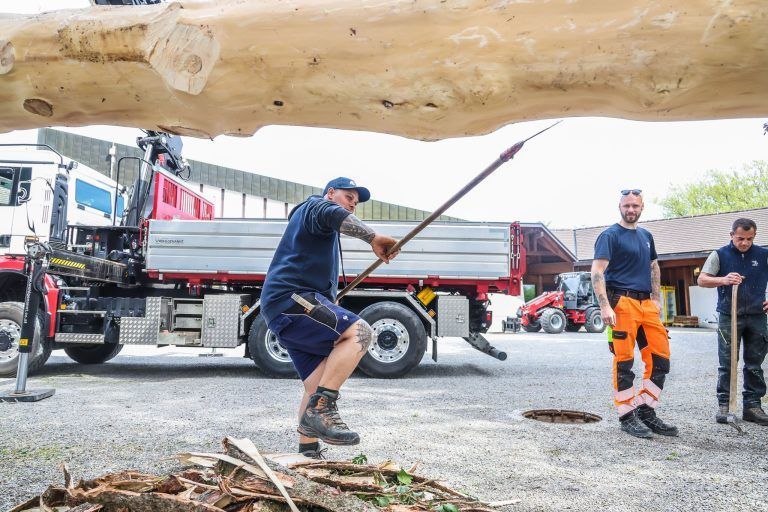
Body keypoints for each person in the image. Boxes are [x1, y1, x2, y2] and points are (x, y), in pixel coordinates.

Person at [260, 177, 399, 457]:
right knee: (360, 332)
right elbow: (331, 213)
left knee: (316, 386)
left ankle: (307, 454)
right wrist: (374, 238)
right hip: (291, 299)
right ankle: (323, 410)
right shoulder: (313, 208)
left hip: (292, 307)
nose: (352, 206)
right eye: (349, 197)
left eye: (356, 203)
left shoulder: (318, 227)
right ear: (331, 193)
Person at [590, 189, 678, 438]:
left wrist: (657, 299)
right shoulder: (609, 235)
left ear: (642, 207)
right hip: (623, 303)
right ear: (620, 206)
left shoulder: (646, 235)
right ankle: (626, 415)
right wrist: (605, 306)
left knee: (661, 359)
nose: (631, 210)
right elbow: (597, 272)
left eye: (635, 206)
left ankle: (646, 409)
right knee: (625, 362)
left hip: (647, 304)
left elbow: (653, 267)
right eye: (627, 205)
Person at [696, 218, 768, 426]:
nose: (744, 243)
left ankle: (752, 406)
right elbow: (702, 279)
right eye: (740, 238)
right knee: (727, 363)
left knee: (754, 364)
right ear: (731, 235)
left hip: (757, 316)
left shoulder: (763, 255)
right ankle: (725, 406)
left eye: (749, 239)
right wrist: (723, 280)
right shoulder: (719, 255)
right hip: (729, 316)